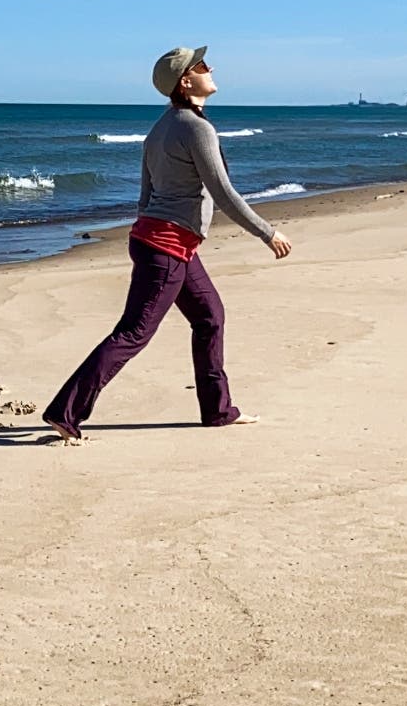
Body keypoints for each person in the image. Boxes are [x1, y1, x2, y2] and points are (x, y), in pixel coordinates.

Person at [43, 45, 293, 441]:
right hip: (167, 246)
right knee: (134, 332)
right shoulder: (196, 128)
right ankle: (65, 412)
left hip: (164, 242)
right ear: (185, 81)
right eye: (202, 65)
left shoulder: (159, 129)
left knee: (210, 316)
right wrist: (267, 232)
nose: (211, 68)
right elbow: (223, 192)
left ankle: (218, 410)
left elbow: (145, 197)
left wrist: (153, 236)